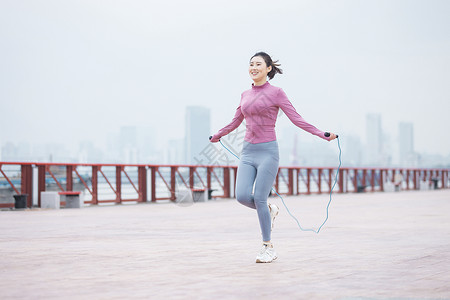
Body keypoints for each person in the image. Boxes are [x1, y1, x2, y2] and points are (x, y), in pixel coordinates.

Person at [209, 52, 337, 263]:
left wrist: (320, 134)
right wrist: (218, 135)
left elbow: (296, 118)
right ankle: (269, 210)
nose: (253, 67)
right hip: (248, 152)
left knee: (259, 197)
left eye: (258, 64)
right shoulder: (245, 95)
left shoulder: (277, 93)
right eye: (251, 64)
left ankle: (268, 247)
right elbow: (234, 122)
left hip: (268, 152)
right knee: (241, 196)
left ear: (268, 68)